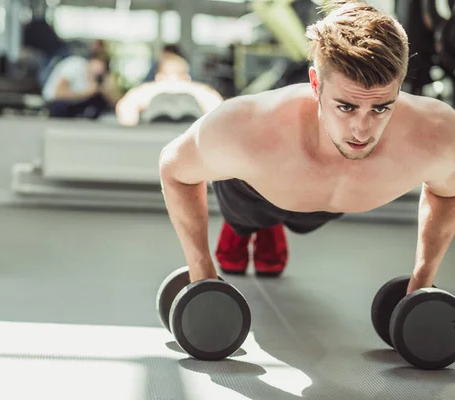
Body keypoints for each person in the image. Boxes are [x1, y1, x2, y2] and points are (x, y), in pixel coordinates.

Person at [159, 0, 455, 295]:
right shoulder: (245, 126)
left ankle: (270, 226)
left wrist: (421, 281)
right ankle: (244, 229)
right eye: (346, 107)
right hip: (253, 189)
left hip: (321, 205)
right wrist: (201, 274)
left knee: (302, 220)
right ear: (315, 84)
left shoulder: (437, 132)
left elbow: (447, 192)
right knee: (247, 220)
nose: (362, 130)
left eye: (380, 108)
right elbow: (174, 169)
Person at [116, 54, 224, 126]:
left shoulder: (145, 91)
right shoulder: (201, 91)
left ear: (158, 77)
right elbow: (220, 116)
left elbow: (126, 116)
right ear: (187, 77)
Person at [42, 51, 120, 119]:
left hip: (77, 103)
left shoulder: (99, 77)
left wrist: (108, 87)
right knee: (59, 106)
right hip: (56, 101)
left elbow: (116, 103)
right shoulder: (75, 65)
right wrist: (87, 93)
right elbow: (58, 94)